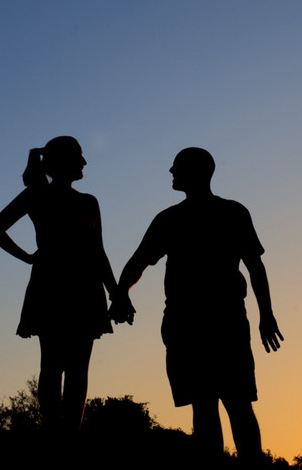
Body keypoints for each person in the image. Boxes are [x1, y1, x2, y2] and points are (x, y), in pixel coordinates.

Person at [118, 147, 282, 465]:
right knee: (219, 405)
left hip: (213, 320)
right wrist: (121, 293)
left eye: (177, 167)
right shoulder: (182, 217)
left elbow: (255, 266)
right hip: (198, 322)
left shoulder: (201, 216)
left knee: (223, 405)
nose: (170, 171)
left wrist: (267, 314)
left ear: (196, 172)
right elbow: (138, 262)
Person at [0, 136, 129, 433]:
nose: (85, 163)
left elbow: (98, 251)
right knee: (62, 366)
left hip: (67, 283)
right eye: (79, 156)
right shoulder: (46, 196)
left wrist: (117, 294)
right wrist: (26, 257)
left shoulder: (69, 199)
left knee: (62, 365)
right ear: (64, 162)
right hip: (63, 284)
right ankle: (58, 433)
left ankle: (64, 433)